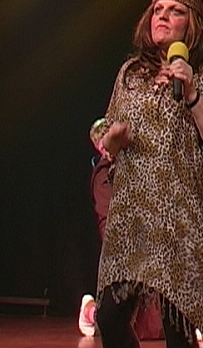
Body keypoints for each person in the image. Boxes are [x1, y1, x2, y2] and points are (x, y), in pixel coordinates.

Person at [94, 0, 203, 348]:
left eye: (175, 11)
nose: (162, 16)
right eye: (157, 10)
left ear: (192, 24)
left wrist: (191, 94)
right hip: (134, 219)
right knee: (109, 317)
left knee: (177, 332)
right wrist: (111, 140)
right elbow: (106, 130)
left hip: (183, 220)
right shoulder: (131, 74)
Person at [78, 118, 164, 341]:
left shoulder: (130, 165)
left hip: (137, 244)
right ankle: (90, 312)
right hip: (120, 249)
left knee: (147, 325)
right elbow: (108, 219)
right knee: (116, 317)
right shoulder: (103, 174)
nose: (105, 150)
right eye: (101, 146)